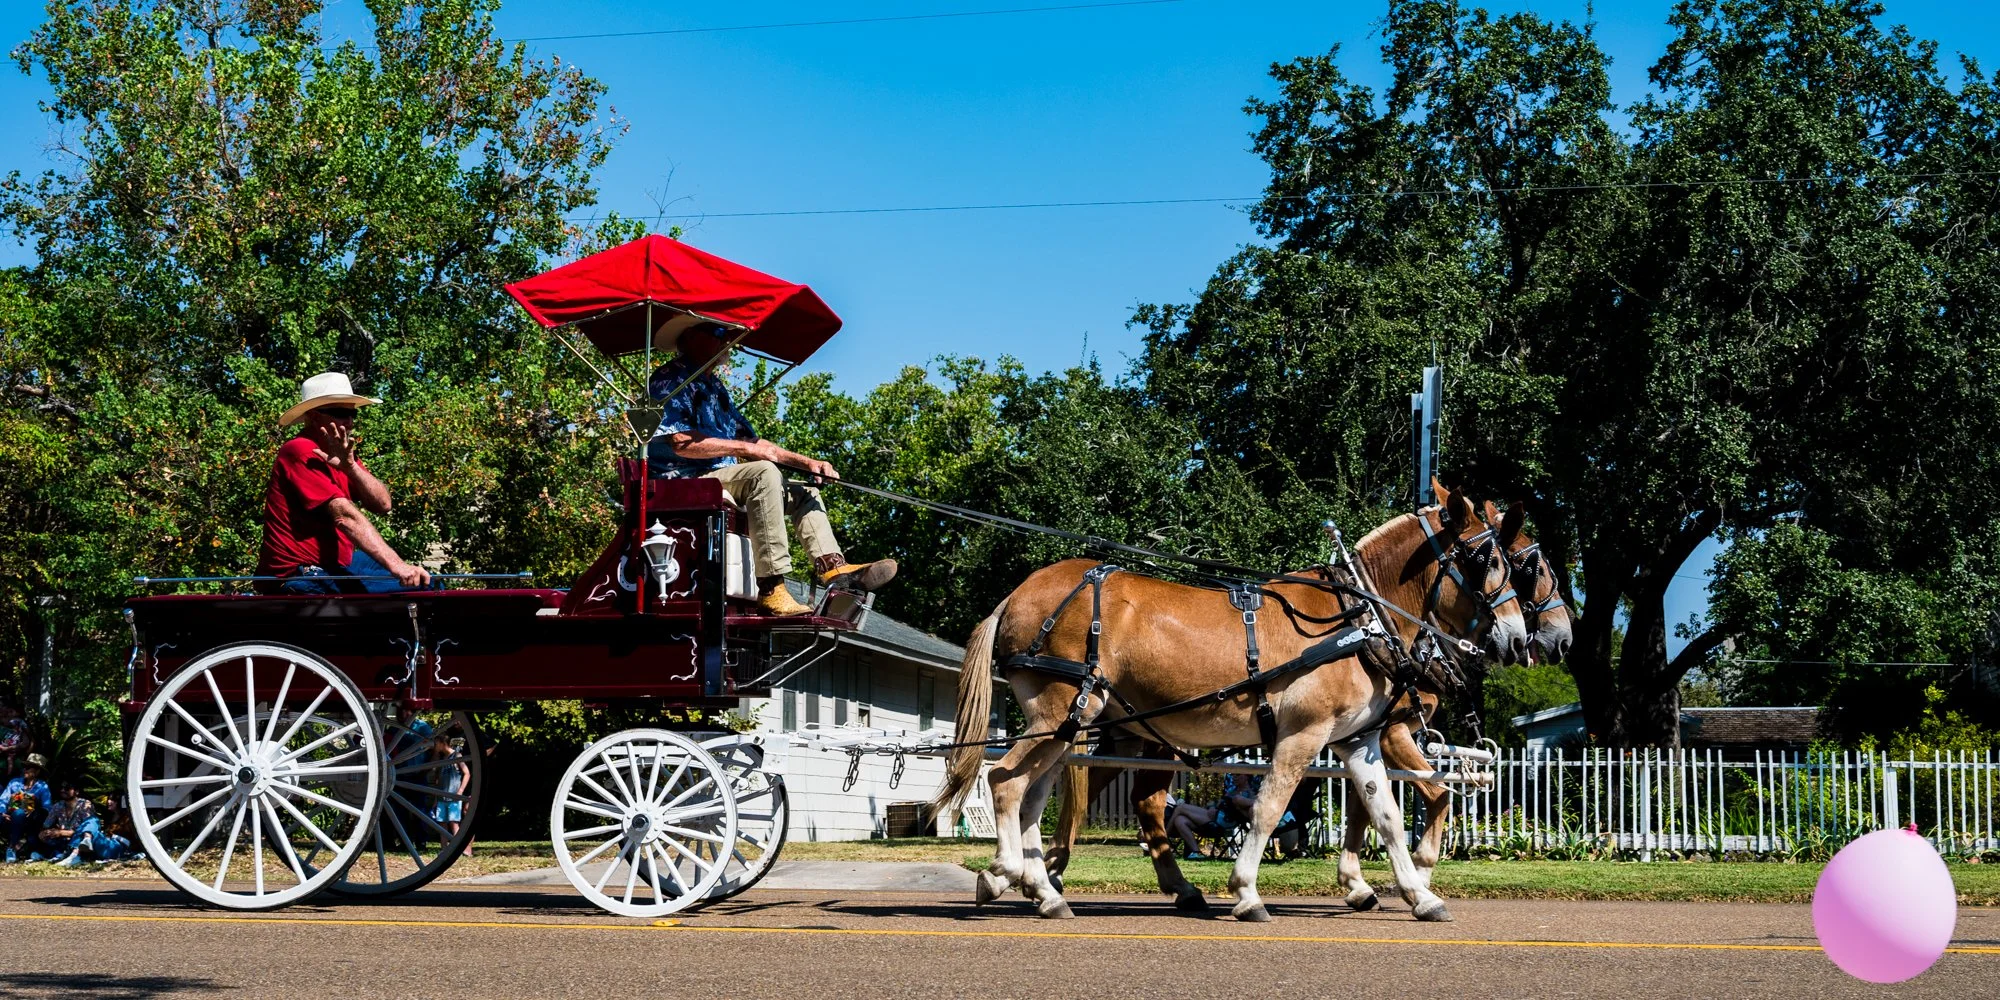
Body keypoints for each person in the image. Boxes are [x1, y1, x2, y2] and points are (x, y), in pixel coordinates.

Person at [646, 323, 897, 616]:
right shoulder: (669, 379)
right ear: (689, 337)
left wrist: (808, 463)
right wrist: (746, 450)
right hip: (685, 480)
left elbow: (754, 442)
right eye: (719, 333)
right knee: (763, 473)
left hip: (722, 479)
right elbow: (681, 443)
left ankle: (835, 572)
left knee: (806, 493)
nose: (727, 341)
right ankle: (771, 588)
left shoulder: (715, 387)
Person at [256, 371, 434, 595]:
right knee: (426, 585)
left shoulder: (340, 453)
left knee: (421, 575)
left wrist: (351, 468)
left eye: (352, 414)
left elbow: (383, 504)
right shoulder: (299, 450)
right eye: (339, 413)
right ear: (313, 416)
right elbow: (344, 515)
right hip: (298, 574)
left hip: (336, 563)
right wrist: (398, 567)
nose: (349, 422)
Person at [3, 754, 51, 862]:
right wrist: (2, 813)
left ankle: (12, 848)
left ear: (37, 771)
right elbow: (3, 800)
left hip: (30, 819)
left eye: (28, 768)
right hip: (8, 815)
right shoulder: (14, 782)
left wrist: (32, 807)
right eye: (25, 767)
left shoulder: (43, 786)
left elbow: (47, 808)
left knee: (20, 812)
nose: (25, 769)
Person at [430, 733, 470, 852]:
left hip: (453, 796)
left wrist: (461, 790)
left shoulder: (456, 756)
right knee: (442, 823)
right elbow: (439, 781)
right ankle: (444, 849)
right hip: (442, 797)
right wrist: (436, 799)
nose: (435, 746)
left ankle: (458, 848)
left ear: (443, 743)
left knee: (453, 822)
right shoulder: (443, 759)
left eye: (437, 744)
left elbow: (467, 773)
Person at [37, 781, 92, 862]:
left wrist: (61, 832)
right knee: (37, 837)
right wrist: (44, 833)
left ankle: (72, 855)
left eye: (67, 788)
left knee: (80, 838)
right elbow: (46, 825)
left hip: (78, 840)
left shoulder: (84, 804)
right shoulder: (57, 806)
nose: (63, 790)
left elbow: (86, 829)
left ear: (76, 791)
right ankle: (56, 854)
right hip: (62, 840)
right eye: (61, 788)